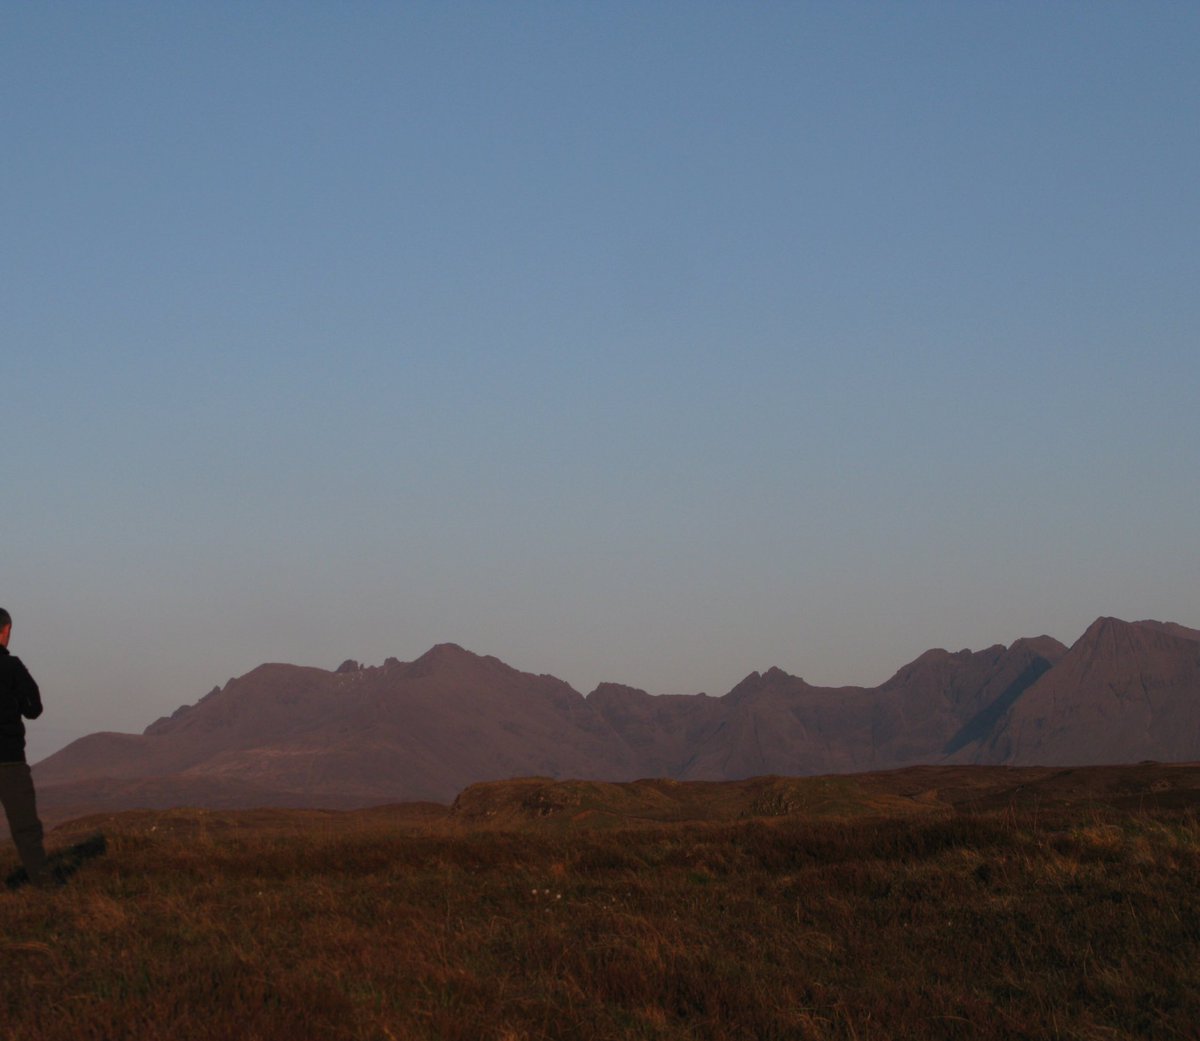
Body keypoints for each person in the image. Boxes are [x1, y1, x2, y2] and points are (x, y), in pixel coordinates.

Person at [0, 608, 52, 887]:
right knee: (26, 829)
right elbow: (34, 709)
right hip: (8, 760)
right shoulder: (12, 667)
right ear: (6, 630)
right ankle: (44, 886)